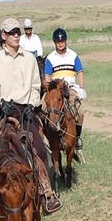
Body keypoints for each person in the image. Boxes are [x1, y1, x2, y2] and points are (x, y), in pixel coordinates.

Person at [0, 18, 62, 217]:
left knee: (41, 151)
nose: (17, 35)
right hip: (2, 111)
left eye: (18, 31)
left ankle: (47, 196)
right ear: (4, 36)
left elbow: (36, 86)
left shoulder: (29, 59)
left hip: (25, 110)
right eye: (12, 32)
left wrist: (33, 104)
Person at [44, 28, 87, 162]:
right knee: (41, 110)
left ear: (66, 41)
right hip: (55, 90)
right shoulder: (50, 58)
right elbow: (47, 77)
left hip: (71, 89)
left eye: (62, 40)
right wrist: (50, 90)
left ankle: (77, 141)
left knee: (80, 111)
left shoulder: (73, 55)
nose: (60, 43)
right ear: (54, 42)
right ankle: (45, 141)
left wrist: (81, 88)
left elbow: (79, 72)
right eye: (58, 41)